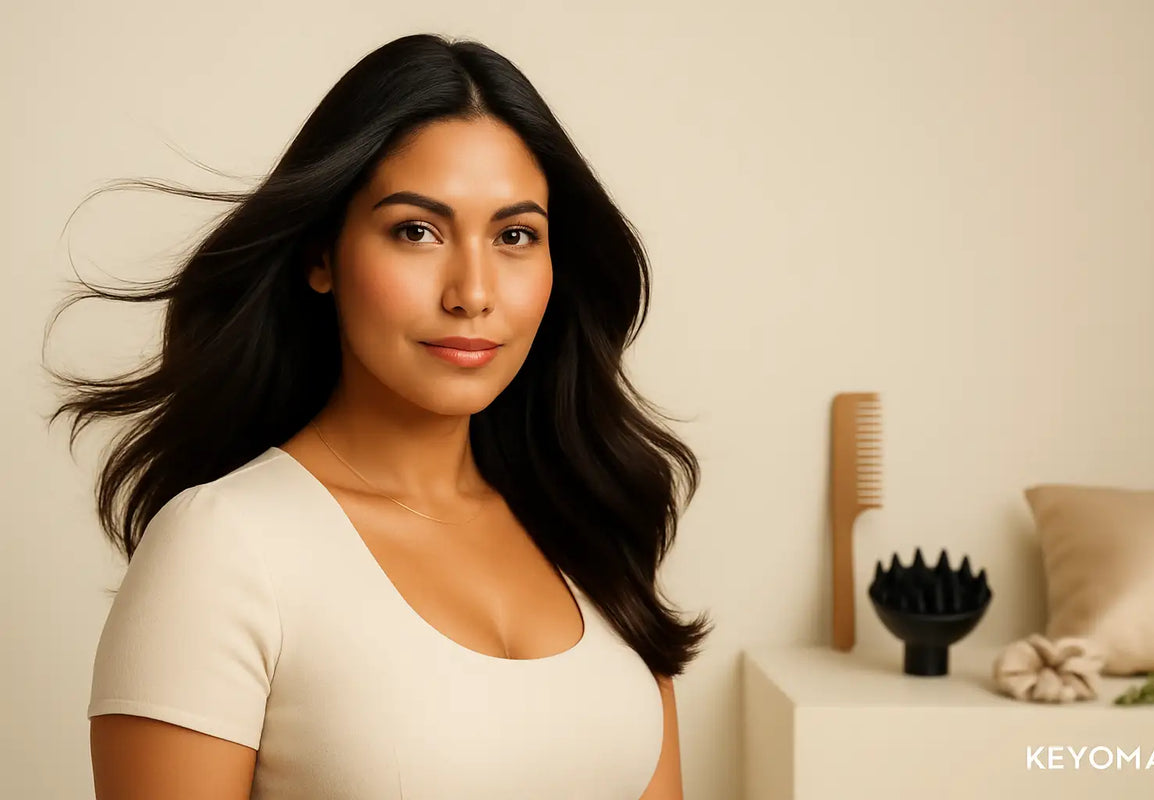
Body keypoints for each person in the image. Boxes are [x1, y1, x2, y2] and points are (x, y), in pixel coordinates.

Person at [46, 32, 712, 799]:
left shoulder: (589, 519)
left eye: (515, 235)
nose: (472, 291)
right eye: (416, 231)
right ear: (322, 256)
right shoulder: (222, 549)